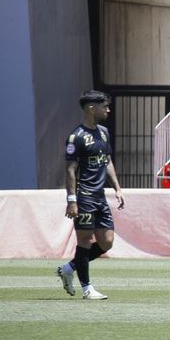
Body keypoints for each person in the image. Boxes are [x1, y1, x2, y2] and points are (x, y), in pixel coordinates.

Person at [56, 90, 125, 300]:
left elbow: (107, 161)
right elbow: (70, 170)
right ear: (91, 109)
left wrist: (117, 188)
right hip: (84, 196)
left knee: (107, 242)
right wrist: (72, 200)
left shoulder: (103, 132)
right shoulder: (76, 137)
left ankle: (69, 268)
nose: (108, 110)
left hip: (100, 197)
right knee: (84, 240)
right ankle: (87, 289)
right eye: (105, 106)